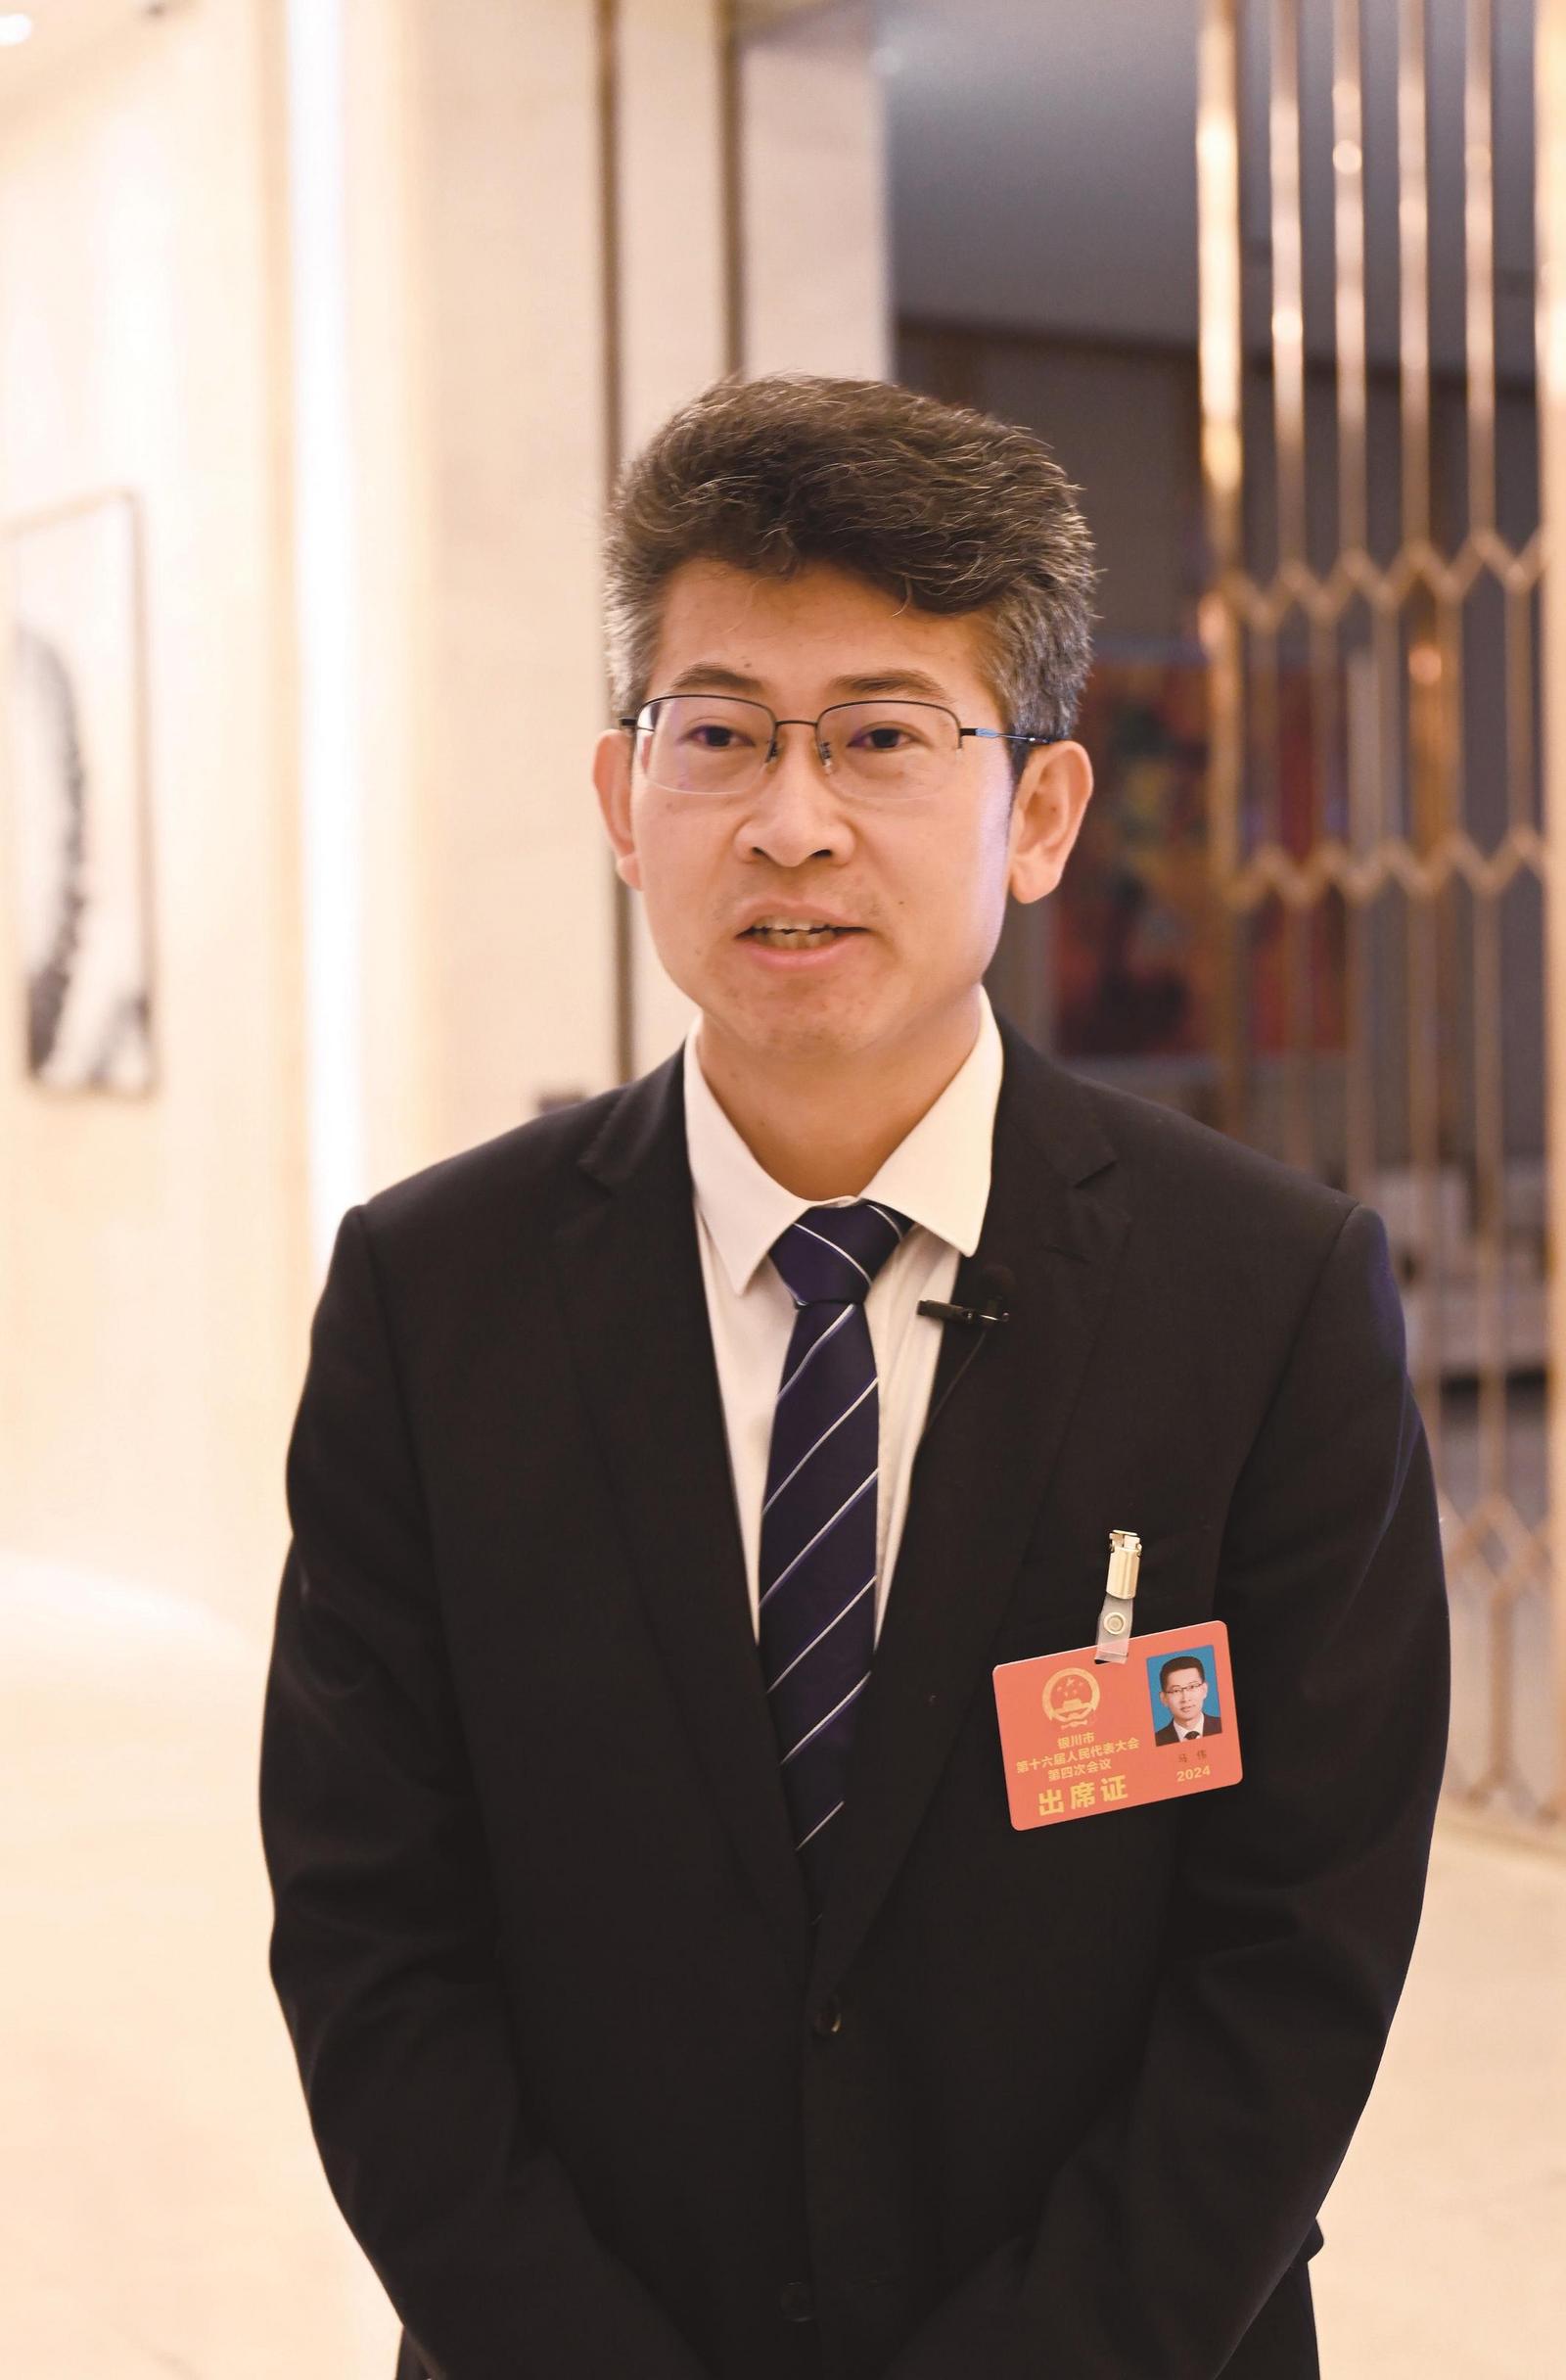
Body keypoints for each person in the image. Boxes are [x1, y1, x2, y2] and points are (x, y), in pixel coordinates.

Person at [259, 372, 1449, 2380]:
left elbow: (1292, 1961)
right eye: (719, 733)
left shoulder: (1266, 1300)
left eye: (884, 736)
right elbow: (373, 1942)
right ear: (625, 801)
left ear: (1040, 814)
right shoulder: (429, 1296)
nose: (790, 820)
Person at [1154, 1652, 1225, 1745]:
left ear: (1204, 1690)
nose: (1185, 1698)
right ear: (1163, 1698)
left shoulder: (1226, 1726)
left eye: (1192, 1687)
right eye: (1176, 1690)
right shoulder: (1156, 1741)